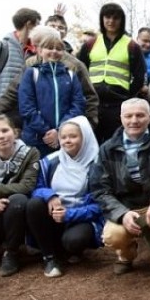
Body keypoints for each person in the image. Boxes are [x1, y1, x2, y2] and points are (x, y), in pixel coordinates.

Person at [90, 98, 150, 284]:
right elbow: (100, 189)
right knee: (111, 236)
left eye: (140, 115)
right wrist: (122, 214)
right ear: (121, 118)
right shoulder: (106, 149)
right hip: (126, 208)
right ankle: (126, 255)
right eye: (129, 116)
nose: (134, 120)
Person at [25, 116, 103, 277]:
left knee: (74, 241)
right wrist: (50, 196)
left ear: (85, 137)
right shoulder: (50, 161)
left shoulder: (97, 165)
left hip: (81, 217)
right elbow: (37, 188)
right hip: (54, 213)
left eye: (73, 136)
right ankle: (49, 257)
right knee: (34, 204)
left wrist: (69, 214)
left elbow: (100, 205)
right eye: (63, 137)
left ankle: (70, 250)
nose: (67, 141)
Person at [77, 3, 147, 143]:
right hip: (93, 103)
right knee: (90, 142)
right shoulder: (90, 44)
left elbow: (139, 76)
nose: (111, 21)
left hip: (118, 104)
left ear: (121, 21)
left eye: (116, 18)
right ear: (102, 19)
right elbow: (79, 70)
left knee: (115, 144)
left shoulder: (132, 45)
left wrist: (127, 95)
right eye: (107, 17)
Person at [18, 33, 86, 157]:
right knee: (37, 174)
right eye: (49, 48)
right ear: (40, 50)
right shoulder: (31, 73)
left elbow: (78, 105)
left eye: (59, 49)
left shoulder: (70, 76)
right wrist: (46, 131)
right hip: (36, 139)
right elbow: (26, 107)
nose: (54, 51)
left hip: (64, 139)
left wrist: (60, 130)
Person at [0, 113, 39, 277]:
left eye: (5, 130)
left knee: (18, 200)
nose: (1, 136)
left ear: (15, 132)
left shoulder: (30, 153)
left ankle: (10, 253)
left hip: (16, 212)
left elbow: (26, 186)